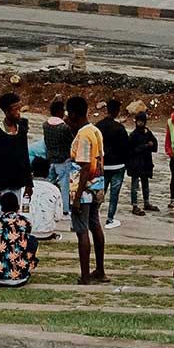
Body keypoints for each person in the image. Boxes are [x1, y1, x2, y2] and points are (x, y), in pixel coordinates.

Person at [66, 95, 107, 284]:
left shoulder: (83, 135)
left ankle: (84, 276)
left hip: (83, 190)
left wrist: (76, 198)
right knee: (95, 225)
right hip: (97, 185)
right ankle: (100, 269)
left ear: (74, 113)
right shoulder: (95, 131)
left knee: (82, 231)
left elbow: (83, 166)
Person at [0, 92, 33, 222]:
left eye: (19, 109)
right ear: (6, 111)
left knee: (13, 216)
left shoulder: (21, 130)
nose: (18, 113)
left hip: (16, 183)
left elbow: (24, 157)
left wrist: (29, 183)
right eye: (14, 110)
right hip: (0, 184)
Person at [0, 189, 38, 286]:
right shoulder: (25, 222)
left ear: (1, 208)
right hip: (21, 276)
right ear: (18, 207)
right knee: (32, 240)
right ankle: (26, 266)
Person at [96, 99, 131, 229]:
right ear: (117, 111)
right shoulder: (120, 128)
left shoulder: (98, 126)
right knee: (114, 195)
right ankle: (110, 219)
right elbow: (126, 149)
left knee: (100, 193)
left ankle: (94, 216)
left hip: (103, 165)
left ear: (107, 109)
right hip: (118, 166)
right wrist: (126, 164)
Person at [43, 98, 74, 215]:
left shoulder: (45, 125)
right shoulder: (64, 127)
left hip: (51, 159)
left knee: (49, 184)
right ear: (59, 112)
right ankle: (65, 209)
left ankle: (47, 205)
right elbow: (71, 141)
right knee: (65, 186)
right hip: (63, 160)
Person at [127, 110, 157, 217]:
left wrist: (151, 145)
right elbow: (130, 150)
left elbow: (155, 144)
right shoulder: (133, 135)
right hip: (136, 163)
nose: (140, 123)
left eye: (142, 121)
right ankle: (134, 205)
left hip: (145, 163)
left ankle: (146, 202)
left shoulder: (147, 132)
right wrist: (145, 146)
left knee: (145, 184)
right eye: (138, 121)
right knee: (134, 185)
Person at [25, 157, 63, 241]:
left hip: (26, 231)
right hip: (47, 232)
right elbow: (58, 217)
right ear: (47, 172)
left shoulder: (23, 189)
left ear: (32, 171)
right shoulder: (54, 190)